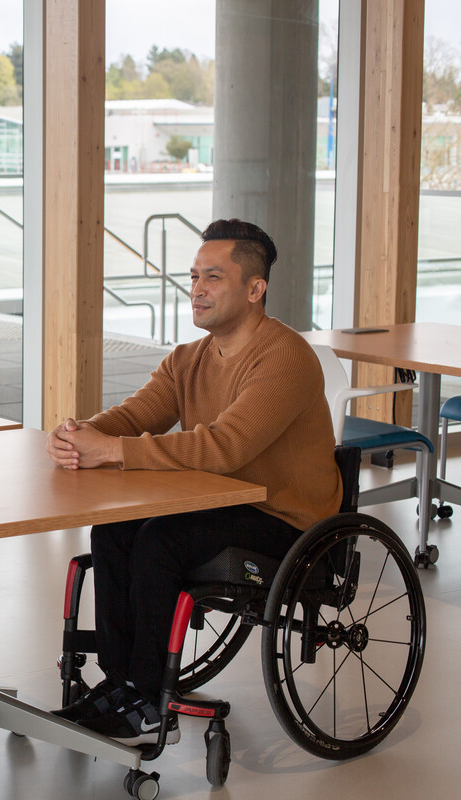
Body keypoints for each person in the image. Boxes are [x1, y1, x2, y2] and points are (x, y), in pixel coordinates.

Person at [45, 218, 342, 745]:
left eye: (213, 277)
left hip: (285, 520)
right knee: (114, 529)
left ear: (255, 289)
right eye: (193, 277)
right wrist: (78, 432)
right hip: (222, 506)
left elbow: (223, 448)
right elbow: (135, 416)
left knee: (161, 540)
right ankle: (122, 686)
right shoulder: (188, 359)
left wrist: (110, 451)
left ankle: (147, 700)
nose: (197, 290)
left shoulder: (286, 358)